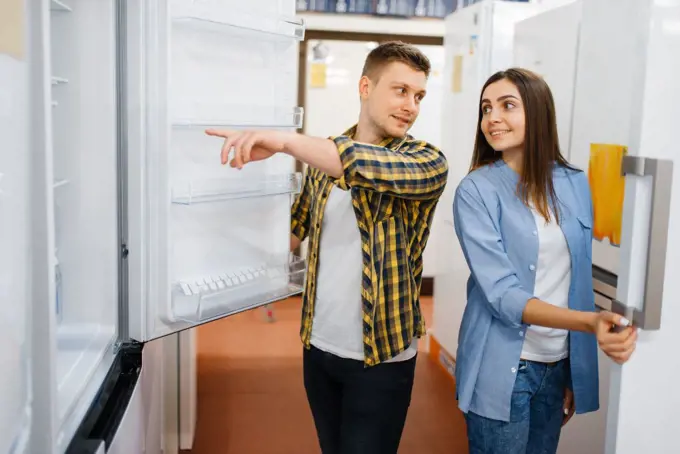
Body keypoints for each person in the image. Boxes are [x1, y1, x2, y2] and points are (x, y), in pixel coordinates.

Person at [205, 41, 448, 454]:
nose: (411, 105)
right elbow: (292, 234)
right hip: (319, 348)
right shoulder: (323, 161)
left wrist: (282, 141)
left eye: (419, 95)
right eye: (400, 90)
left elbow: (358, 164)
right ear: (365, 86)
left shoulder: (426, 162)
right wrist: (210, 236)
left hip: (380, 357)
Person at [452, 68, 637, 454]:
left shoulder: (573, 182)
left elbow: (576, 279)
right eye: (486, 108)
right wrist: (590, 323)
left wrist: (570, 370)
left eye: (507, 105)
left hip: (556, 366)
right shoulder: (476, 191)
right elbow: (503, 295)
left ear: (538, 113)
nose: (492, 118)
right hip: (503, 367)